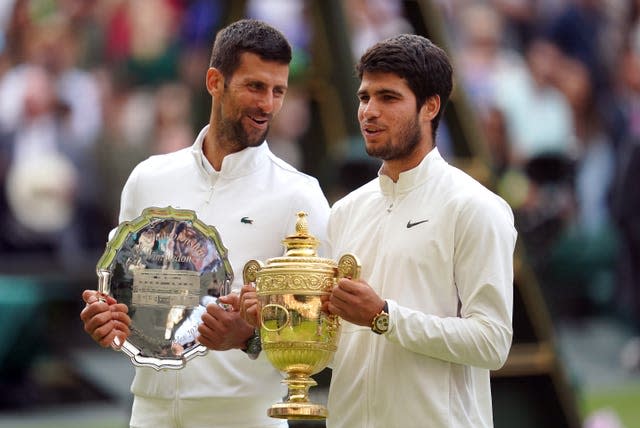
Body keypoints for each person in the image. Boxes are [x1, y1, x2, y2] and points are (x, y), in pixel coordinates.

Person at [79, 19, 330, 428]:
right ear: (215, 81)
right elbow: (123, 296)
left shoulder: (300, 196)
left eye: (278, 91)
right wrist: (105, 321)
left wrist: (245, 338)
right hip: (150, 412)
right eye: (255, 86)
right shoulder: (148, 178)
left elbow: (324, 331)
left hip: (247, 416)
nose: (267, 103)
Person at [321, 34, 517, 428]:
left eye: (388, 98)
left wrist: (383, 316)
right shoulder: (344, 211)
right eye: (364, 97)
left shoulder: (474, 207)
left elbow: (492, 342)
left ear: (430, 106)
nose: (369, 112)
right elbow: (337, 348)